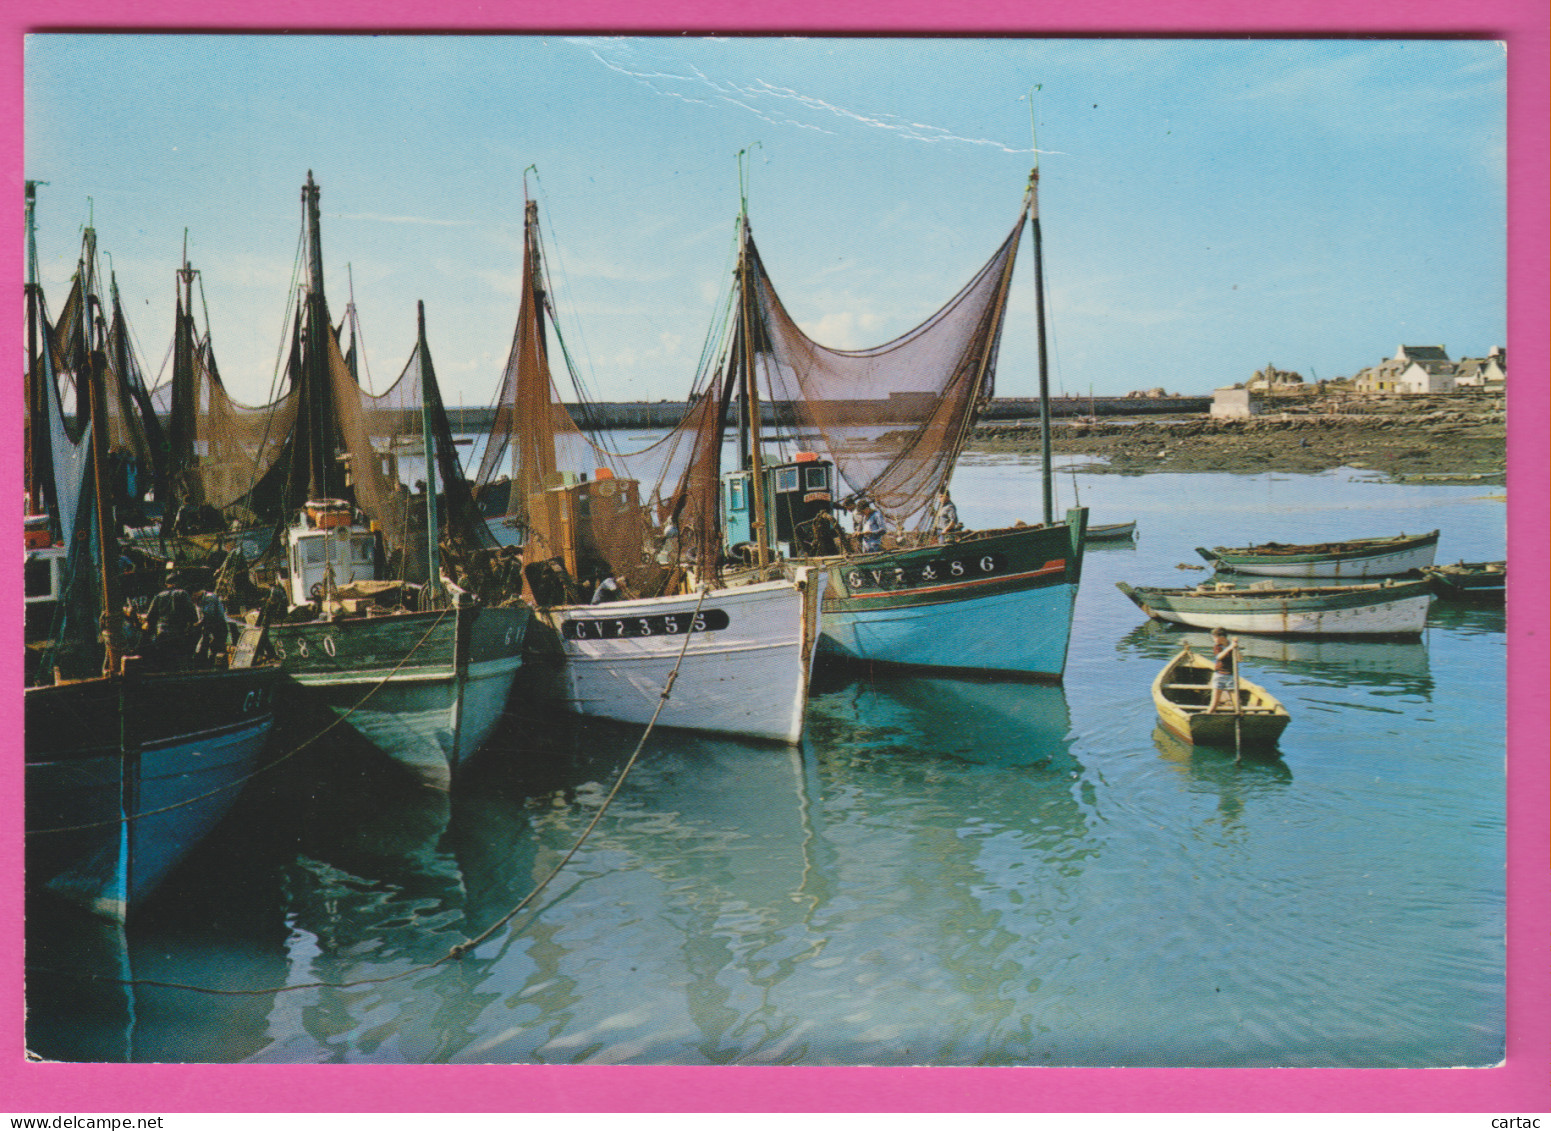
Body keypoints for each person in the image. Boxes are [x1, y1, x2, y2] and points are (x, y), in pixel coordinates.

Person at [142, 568, 199, 668]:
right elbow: (193, 615)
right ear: (178, 583)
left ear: (166, 584)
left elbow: (150, 617)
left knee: (163, 661)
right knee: (178, 661)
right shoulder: (183, 594)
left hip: (161, 633)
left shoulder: (158, 596)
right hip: (178, 633)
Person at [192, 585, 232, 664]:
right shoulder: (197, 601)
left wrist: (197, 625)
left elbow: (209, 616)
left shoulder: (209, 598)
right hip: (207, 627)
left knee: (217, 650)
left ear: (196, 593)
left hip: (218, 627)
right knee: (201, 649)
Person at [1206, 626, 1241, 713]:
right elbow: (1219, 657)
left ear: (1222, 637)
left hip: (1231, 676)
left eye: (1214, 638)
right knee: (1214, 703)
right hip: (1219, 675)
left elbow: (1239, 659)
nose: (1214, 640)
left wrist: (1236, 648)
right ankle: (1208, 715)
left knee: (1237, 704)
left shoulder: (1232, 645)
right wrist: (1230, 648)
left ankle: (1239, 715)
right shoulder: (1217, 646)